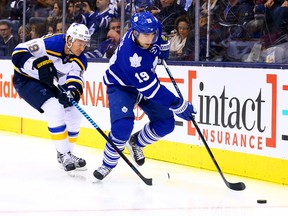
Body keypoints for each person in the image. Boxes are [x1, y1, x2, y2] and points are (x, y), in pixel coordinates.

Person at [93, 11, 196, 180]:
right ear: (135, 32)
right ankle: (107, 164)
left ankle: (136, 143)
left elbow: (157, 30)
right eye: (146, 35)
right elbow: (152, 91)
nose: (150, 38)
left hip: (143, 83)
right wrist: (178, 104)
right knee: (122, 128)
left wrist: (162, 44)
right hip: (121, 86)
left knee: (166, 123)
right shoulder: (132, 56)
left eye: (152, 34)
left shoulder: (150, 27)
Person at [11, 23, 91, 172]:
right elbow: (18, 52)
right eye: (80, 43)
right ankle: (63, 154)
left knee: (75, 113)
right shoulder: (50, 43)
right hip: (26, 80)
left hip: (50, 84)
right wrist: (38, 63)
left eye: (85, 44)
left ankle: (67, 154)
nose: (82, 48)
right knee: (55, 108)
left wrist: (72, 91)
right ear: (69, 39)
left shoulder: (80, 59)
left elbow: (75, 79)